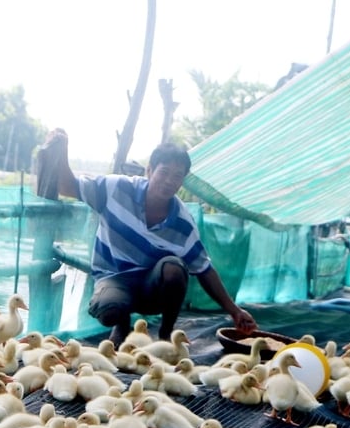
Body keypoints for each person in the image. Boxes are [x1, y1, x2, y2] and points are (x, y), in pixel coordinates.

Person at [44, 129, 257, 346]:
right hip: (114, 277)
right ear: (149, 170)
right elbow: (67, 186)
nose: (168, 181)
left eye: (177, 176)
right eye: (164, 172)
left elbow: (204, 269)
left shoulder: (183, 222)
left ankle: (166, 334)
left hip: (150, 288)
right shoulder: (116, 189)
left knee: (174, 268)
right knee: (109, 309)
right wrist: (61, 150)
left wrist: (235, 311)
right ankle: (122, 325)